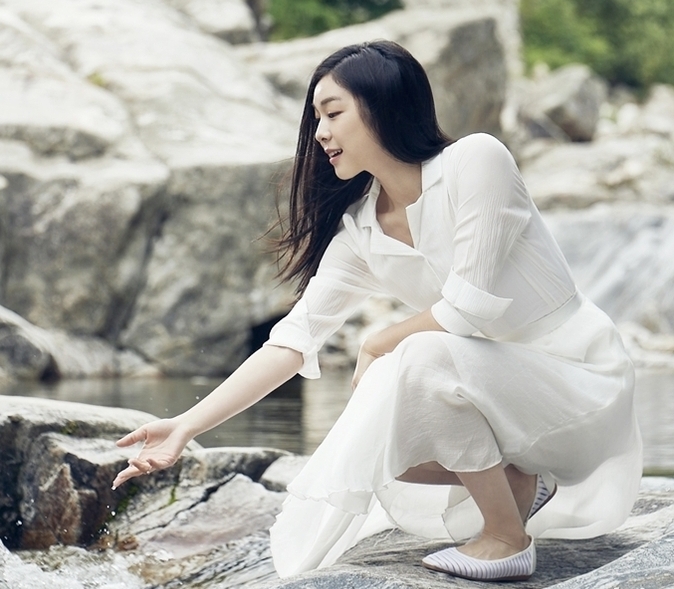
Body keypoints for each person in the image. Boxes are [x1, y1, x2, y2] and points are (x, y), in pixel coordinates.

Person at [112, 40, 642, 582]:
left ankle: (506, 537)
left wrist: (377, 343)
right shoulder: (362, 231)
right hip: (504, 398)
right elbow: (292, 341)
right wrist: (185, 426)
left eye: (333, 113)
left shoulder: (476, 160)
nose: (320, 133)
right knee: (364, 443)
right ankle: (517, 477)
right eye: (317, 118)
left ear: (383, 106)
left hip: (579, 385)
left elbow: (470, 308)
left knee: (417, 357)